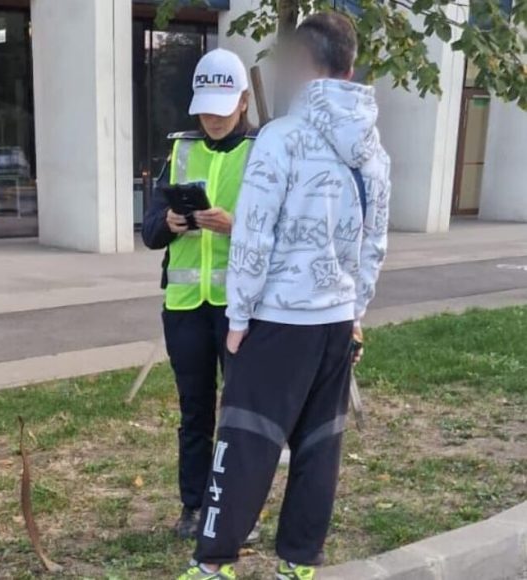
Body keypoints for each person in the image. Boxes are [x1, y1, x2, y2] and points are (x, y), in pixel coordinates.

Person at [179, 12, 391, 580]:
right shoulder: (372, 150)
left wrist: (238, 316)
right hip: (336, 322)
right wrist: (356, 313)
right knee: (320, 445)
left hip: (277, 319)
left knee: (245, 440)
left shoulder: (281, 138)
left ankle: (213, 564)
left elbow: (254, 234)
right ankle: (298, 564)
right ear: (350, 69)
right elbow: (374, 243)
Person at [142, 48, 258, 541]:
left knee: (241, 415)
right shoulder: (181, 150)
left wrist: (237, 227)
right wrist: (169, 223)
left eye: (222, 108)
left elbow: (282, 233)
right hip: (185, 308)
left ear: (244, 101)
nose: (212, 119)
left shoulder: (262, 152)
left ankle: (235, 511)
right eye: (205, 109)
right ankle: (193, 506)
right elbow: (150, 232)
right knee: (194, 413)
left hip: (240, 309)